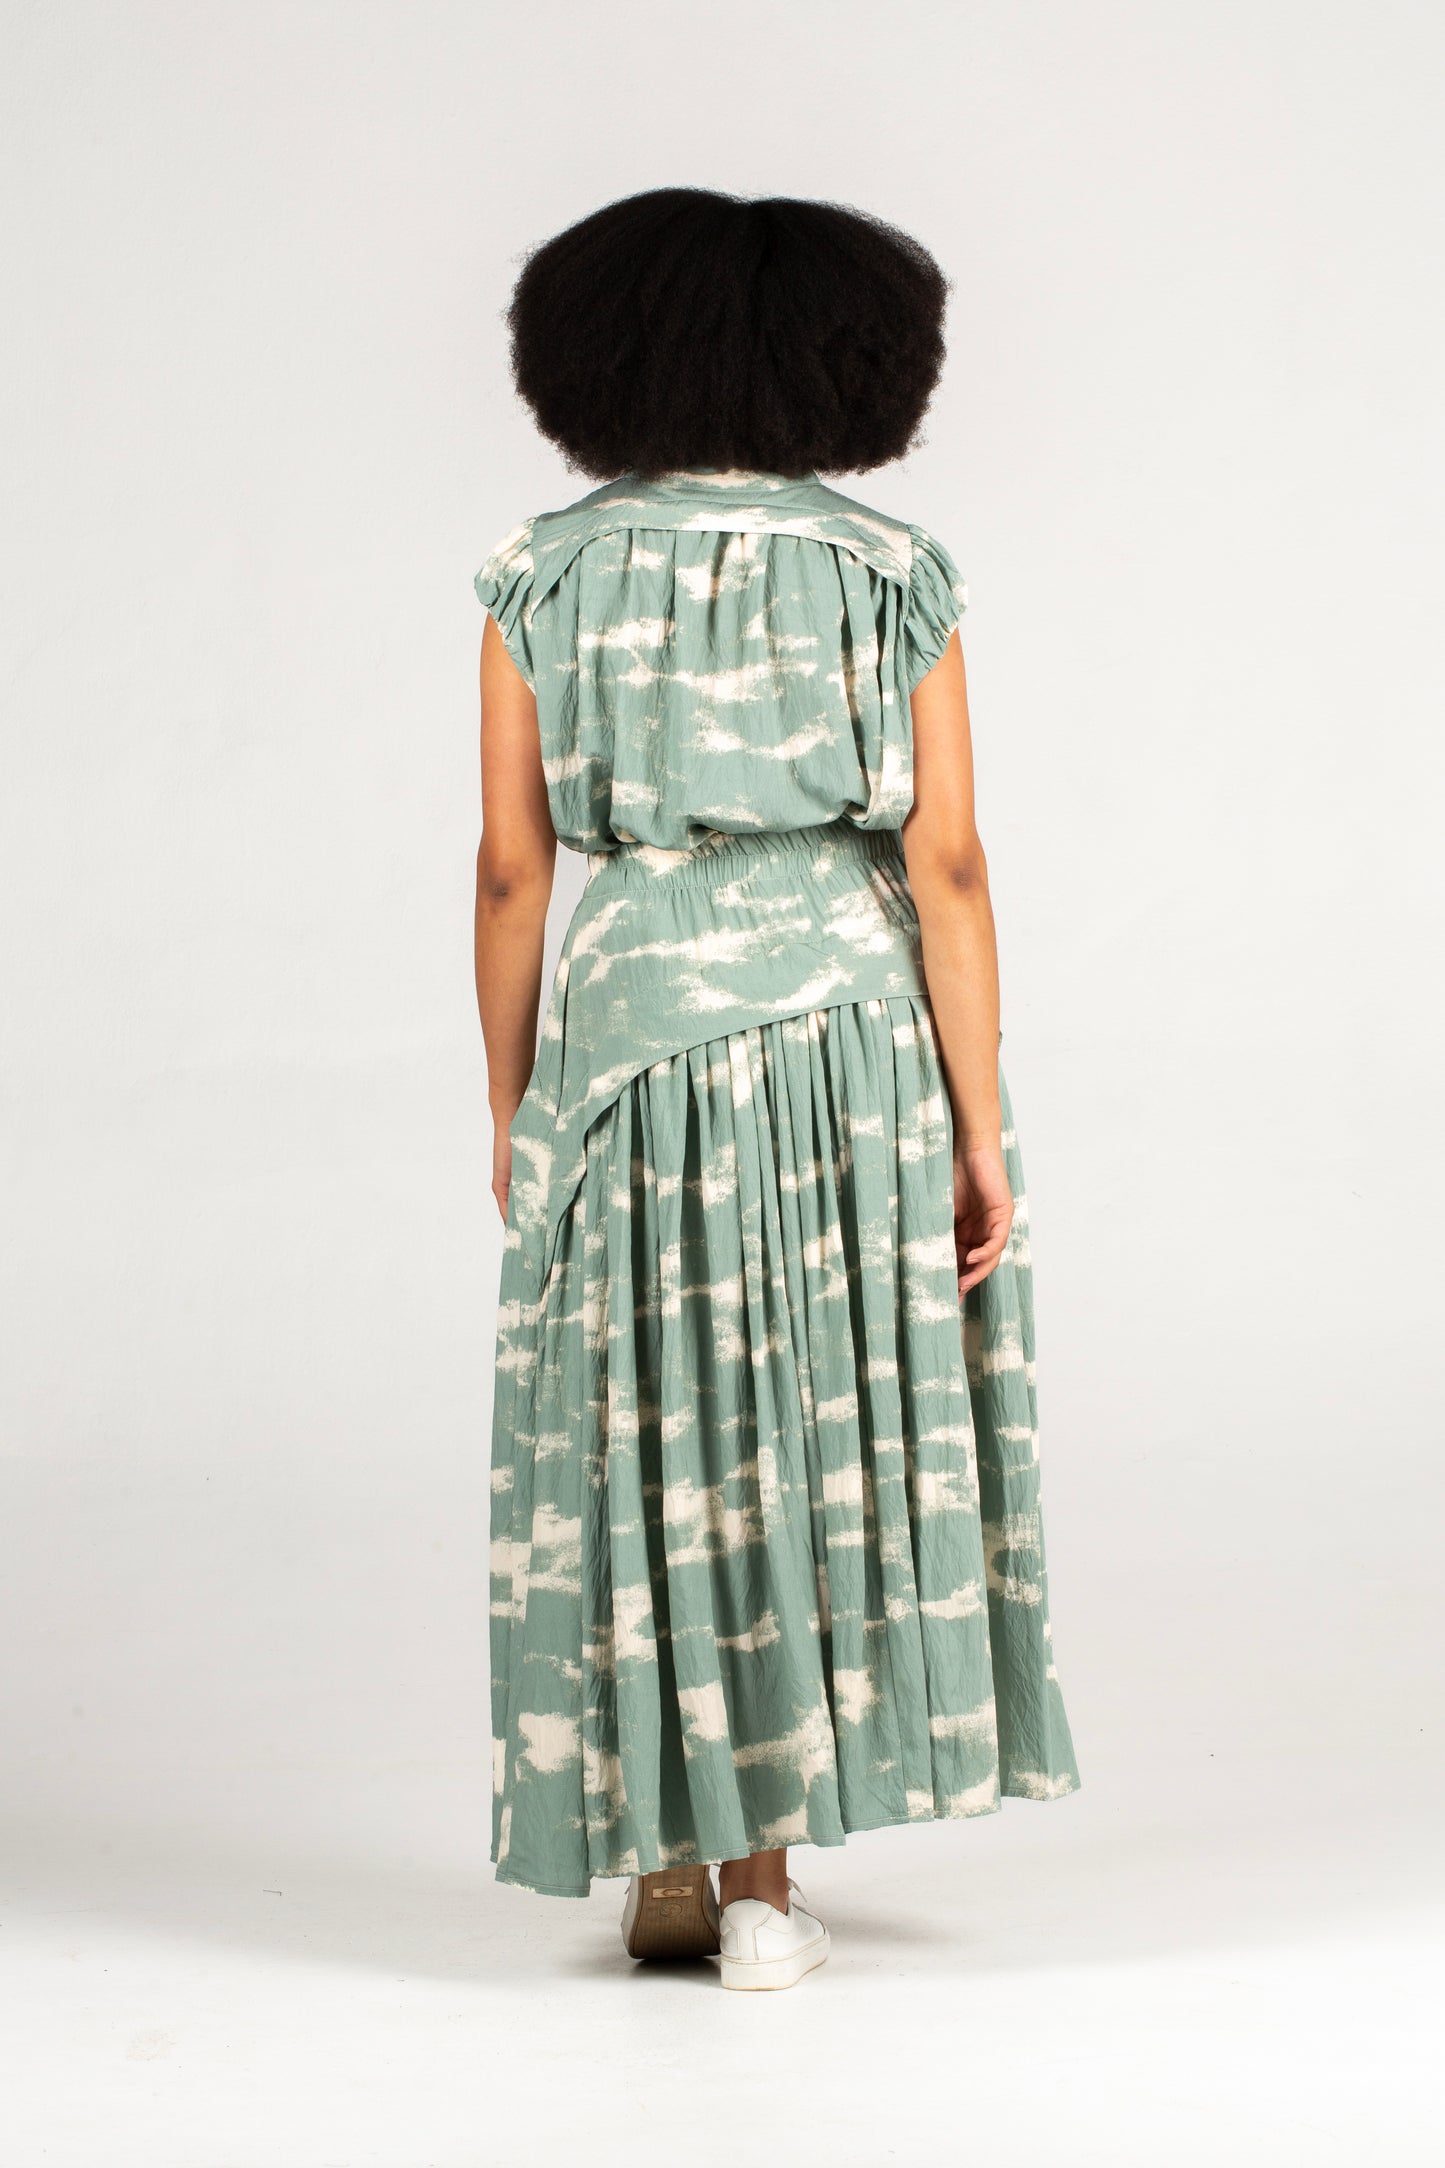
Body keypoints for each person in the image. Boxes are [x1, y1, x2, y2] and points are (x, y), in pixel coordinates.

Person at [473, 187, 1079, 1992]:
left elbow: (510, 873)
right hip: (846, 1035)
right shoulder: (888, 572)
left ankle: (670, 1857)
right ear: (850, 361)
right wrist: (979, 1130)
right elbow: (946, 863)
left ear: (595, 359)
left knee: (648, 1414)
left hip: (626, 1020)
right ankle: (760, 1890)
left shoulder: (542, 575)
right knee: (803, 1418)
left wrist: (512, 1103)